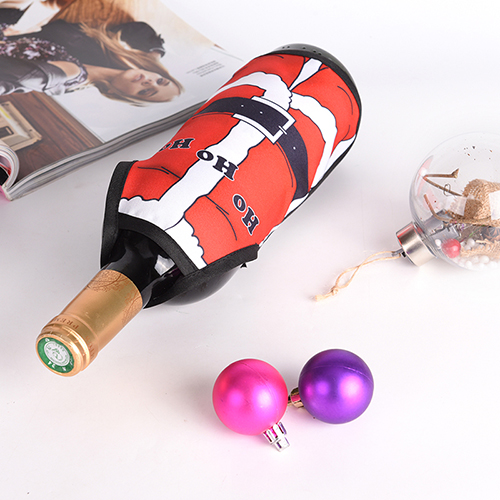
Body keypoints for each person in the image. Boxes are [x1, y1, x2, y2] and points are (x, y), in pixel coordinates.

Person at [0, 16, 182, 103]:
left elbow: (14, 81)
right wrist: (153, 58)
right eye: (160, 80)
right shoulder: (109, 56)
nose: (149, 82)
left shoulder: (70, 79)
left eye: (146, 91)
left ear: (117, 93)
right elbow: (139, 29)